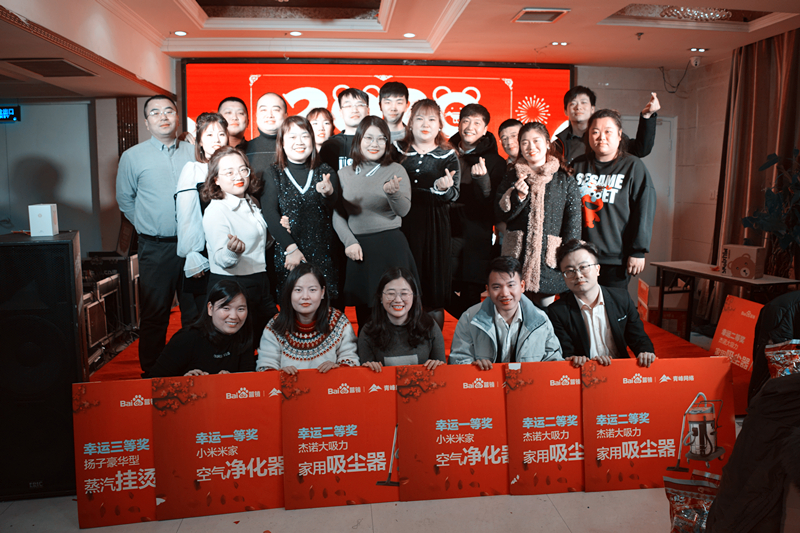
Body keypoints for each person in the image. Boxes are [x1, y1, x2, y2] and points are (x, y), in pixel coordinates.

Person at [116, 95, 197, 377]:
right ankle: (152, 372)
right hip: (156, 248)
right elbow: (125, 199)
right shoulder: (132, 156)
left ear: (177, 117)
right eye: (155, 113)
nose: (163, 117)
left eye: (168, 111)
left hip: (193, 247)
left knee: (194, 313)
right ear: (146, 122)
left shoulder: (194, 152)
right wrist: (146, 226)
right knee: (155, 314)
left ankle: (194, 366)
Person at [332, 116, 417, 327]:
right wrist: (349, 242)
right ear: (358, 140)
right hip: (359, 250)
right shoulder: (344, 173)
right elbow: (337, 214)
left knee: (397, 311)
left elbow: (403, 211)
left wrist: (393, 194)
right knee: (365, 316)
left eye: (381, 139)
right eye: (369, 138)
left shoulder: (396, 170)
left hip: (391, 248)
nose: (375, 144)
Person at [496, 121, 581, 307]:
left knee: (545, 312)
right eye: (525, 142)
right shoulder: (511, 176)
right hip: (517, 256)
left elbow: (573, 223)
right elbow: (501, 214)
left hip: (548, 259)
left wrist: (569, 258)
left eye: (536, 141)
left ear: (547, 143)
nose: (530, 147)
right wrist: (518, 197)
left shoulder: (564, 178)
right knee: (515, 311)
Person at [200, 146, 278, 348]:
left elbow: (259, 244)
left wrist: (276, 233)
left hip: (260, 281)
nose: (239, 176)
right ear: (216, 179)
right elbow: (221, 259)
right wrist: (232, 252)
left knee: (271, 341)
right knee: (238, 348)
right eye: (229, 172)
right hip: (232, 286)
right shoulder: (216, 210)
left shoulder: (252, 202)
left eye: (243, 169)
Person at [572, 109, 657, 289]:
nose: (601, 137)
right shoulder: (577, 165)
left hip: (616, 259)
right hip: (580, 257)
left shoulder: (633, 166)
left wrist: (638, 251)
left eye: (608, 131)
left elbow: (644, 210)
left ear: (619, 135)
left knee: (612, 305)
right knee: (580, 305)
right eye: (595, 132)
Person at [394, 99, 461, 329]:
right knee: (402, 284)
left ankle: (434, 345)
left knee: (433, 291)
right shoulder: (397, 150)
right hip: (402, 222)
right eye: (420, 118)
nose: (425, 124)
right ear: (411, 123)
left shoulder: (448, 155)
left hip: (435, 224)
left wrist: (443, 189)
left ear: (440, 125)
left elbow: (454, 194)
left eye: (432, 119)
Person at [261, 116, 341, 299]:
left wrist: (328, 193)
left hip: (324, 254)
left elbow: (335, 208)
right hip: (290, 256)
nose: (299, 142)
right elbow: (270, 213)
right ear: (282, 143)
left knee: (324, 306)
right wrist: (291, 248)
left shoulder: (325, 171)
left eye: (305, 136)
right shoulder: (273, 173)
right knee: (293, 306)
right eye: (292, 137)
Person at [547, 239, 656, 368]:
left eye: (583, 267)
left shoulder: (621, 298)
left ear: (597, 269)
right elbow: (567, 352)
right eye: (570, 271)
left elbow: (639, 338)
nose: (578, 275)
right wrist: (577, 360)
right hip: (584, 371)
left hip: (619, 369)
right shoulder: (557, 311)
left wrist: (645, 353)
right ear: (563, 277)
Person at [447, 103, 507, 318]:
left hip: (475, 241)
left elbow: (495, 207)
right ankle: (473, 323)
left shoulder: (495, 162)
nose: (470, 127)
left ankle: (475, 333)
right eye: (466, 121)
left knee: (472, 296)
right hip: (446, 236)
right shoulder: (445, 154)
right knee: (440, 292)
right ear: (458, 124)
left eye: (476, 123)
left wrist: (483, 183)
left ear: (485, 129)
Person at [449, 256, 563, 369]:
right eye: (496, 287)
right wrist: (472, 368)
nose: (505, 293)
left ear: (522, 286)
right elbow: (458, 359)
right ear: (488, 290)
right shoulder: (470, 318)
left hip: (527, 380)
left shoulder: (540, 320)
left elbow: (553, 360)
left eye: (511, 285)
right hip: (484, 380)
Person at [256, 262, 359, 373]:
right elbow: (265, 366)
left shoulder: (339, 322)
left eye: (312, 290)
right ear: (289, 293)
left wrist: (337, 370)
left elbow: (351, 361)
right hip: (287, 384)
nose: (305, 297)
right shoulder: (275, 325)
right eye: (298, 290)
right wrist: (279, 374)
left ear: (322, 292)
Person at [176, 112, 229, 316]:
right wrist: (192, 253)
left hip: (232, 251)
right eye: (209, 135)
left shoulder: (235, 168)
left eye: (221, 134)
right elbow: (186, 215)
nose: (217, 140)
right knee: (207, 317)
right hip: (204, 254)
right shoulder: (193, 170)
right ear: (199, 141)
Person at [149, 279, 255, 377]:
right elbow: (153, 381)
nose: (234, 316)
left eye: (241, 309)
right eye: (226, 308)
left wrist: (231, 381)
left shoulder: (243, 336)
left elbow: (248, 381)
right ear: (210, 308)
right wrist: (185, 382)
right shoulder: (186, 339)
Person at [359, 267, 446, 371]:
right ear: (381, 297)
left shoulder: (429, 327)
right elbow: (365, 378)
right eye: (391, 294)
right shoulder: (369, 331)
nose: (398, 300)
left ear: (414, 296)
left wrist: (438, 366)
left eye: (404, 293)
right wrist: (368, 370)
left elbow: (443, 372)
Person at [554, 86, 660, 166]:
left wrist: (647, 116)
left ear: (592, 108)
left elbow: (641, 150)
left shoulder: (608, 135)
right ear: (565, 110)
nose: (578, 107)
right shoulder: (558, 144)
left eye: (583, 102)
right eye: (573, 103)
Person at [319, 87, 370, 170]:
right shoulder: (330, 145)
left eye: (360, 105)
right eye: (348, 105)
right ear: (341, 113)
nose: (354, 110)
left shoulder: (379, 142)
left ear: (368, 111)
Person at [245, 92, 288, 181]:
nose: (269, 115)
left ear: (286, 115)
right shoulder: (243, 149)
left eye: (276, 110)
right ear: (256, 115)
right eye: (263, 110)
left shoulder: (296, 148)